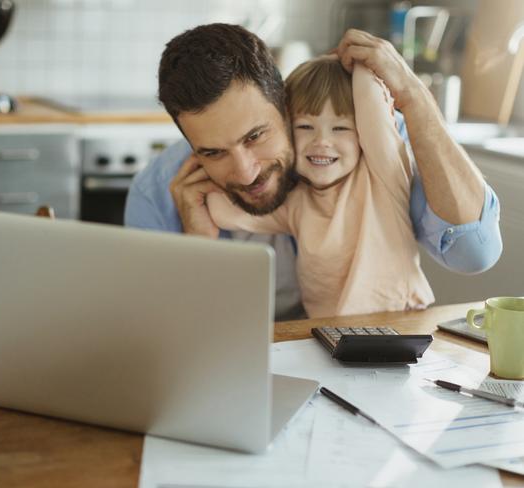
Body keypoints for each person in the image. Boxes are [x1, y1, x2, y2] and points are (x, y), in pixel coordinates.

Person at [125, 24, 502, 320]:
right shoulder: (158, 193)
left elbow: (474, 254)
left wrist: (414, 96)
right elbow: (165, 340)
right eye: (212, 152)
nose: (244, 171)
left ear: (284, 103)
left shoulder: (358, 141)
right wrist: (195, 243)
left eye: (256, 135)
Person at [206, 56, 434, 318]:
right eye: (305, 126)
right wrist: (204, 176)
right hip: (329, 333)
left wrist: (356, 58)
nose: (322, 141)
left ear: (362, 132)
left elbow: (372, 104)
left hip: (398, 321)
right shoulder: (296, 202)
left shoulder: (382, 177)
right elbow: (225, 212)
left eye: (340, 128)